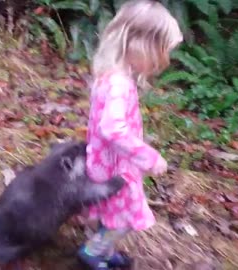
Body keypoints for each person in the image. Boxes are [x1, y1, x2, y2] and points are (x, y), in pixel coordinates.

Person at [77, 1, 183, 269]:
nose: (164, 61)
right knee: (124, 218)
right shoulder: (119, 84)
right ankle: (93, 252)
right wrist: (149, 158)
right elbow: (112, 128)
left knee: (112, 213)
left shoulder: (109, 74)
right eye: (161, 53)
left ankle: (104, 248)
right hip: (116, 170)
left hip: (104, 161)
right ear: (139, 45)